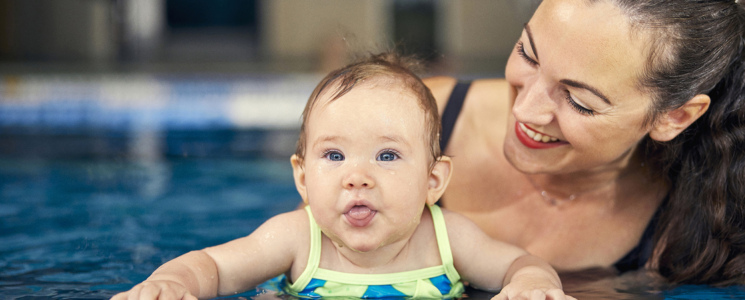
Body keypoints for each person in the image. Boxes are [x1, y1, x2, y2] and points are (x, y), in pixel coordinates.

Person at [111, 53, 575, 300]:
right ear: (302, 178)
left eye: (388, 156)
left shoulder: (448, 239)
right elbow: (211, 267)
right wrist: (173, 283)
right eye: (333, 156)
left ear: (434, 181)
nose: (358, 177)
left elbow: (522, 265)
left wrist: (532, 286)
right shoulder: (296, 238)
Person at [425, 0, 745, 286]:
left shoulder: (695, 229)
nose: (524, 110)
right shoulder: (420, 120)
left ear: (674, 117)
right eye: (528, 54)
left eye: (579, 101)